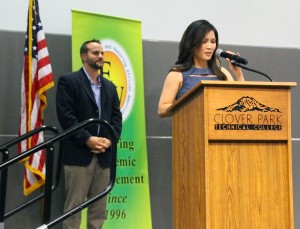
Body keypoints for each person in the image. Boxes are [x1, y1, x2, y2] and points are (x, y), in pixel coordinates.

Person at [56, 39, 122, 229]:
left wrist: (110, 140)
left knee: (98, 212)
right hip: (78, 155)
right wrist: (87, 139)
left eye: (102, 53)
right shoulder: (69, 81)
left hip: (104, 157)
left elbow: (117, 119)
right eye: (95, 53)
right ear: (84, 56)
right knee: (73, 210)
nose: (100, 56)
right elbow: (66, 117)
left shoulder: (109, 86)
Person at [158, 19, 245, 118]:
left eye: (213, 42)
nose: (210, 46)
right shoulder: (178, 74)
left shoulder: (222, 72)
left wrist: (238, 74)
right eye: (204, 41)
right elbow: (162, 109)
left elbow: (241, 102)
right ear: (192, 44)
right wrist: (194, 106)